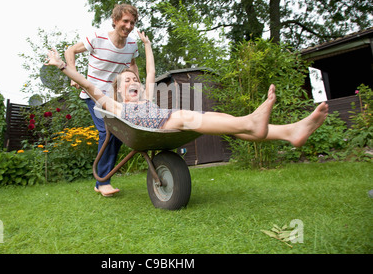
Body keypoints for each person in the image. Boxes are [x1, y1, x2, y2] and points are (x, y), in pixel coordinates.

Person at [47, 31, 329, 180]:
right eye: (126, 81)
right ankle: (252, 123)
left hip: (165, 121)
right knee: (186, 115)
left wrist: (146, 45)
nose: (133, 81)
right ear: (118, 90)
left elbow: (150, 71)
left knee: (213, 119)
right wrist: (62, 66)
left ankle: (289, 132)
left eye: (135, 78)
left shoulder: (146, 96)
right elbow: (87, 84)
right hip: (162, 123)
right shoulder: (115, 106)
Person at [64, 4, 140, 197]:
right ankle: (103, 181)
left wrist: (135, 87)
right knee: (107, 132)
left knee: (121, 133)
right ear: (115, 21)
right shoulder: (98, 38)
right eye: (125, 21)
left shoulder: (132, 45)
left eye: (132, 22)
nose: (129, 26)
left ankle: (103, 179)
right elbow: (70, 51)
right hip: (93, 94)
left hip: (115, 97)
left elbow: (132, 64)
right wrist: (74, 75)